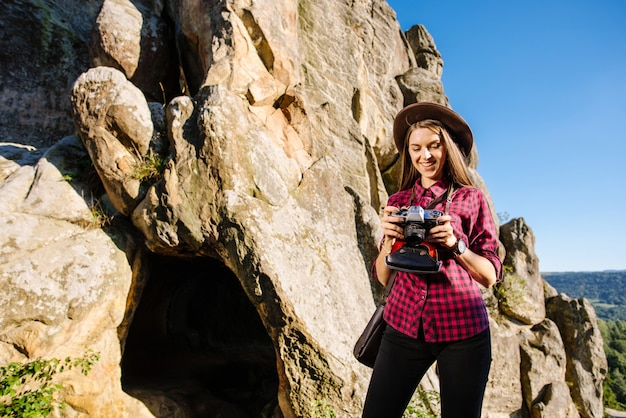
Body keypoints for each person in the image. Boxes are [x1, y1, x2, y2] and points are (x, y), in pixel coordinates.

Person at [362, 102, 502, 418]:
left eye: (433, 146)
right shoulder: (398, 202)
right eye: (416, 148)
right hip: (403, 326)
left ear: (447, 148)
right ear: (409, 154)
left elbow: (490, 275)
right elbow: (384, 277)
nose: (425, 155)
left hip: (463, 330)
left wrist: (455, 244)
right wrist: (389, 239)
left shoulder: (470, 198)